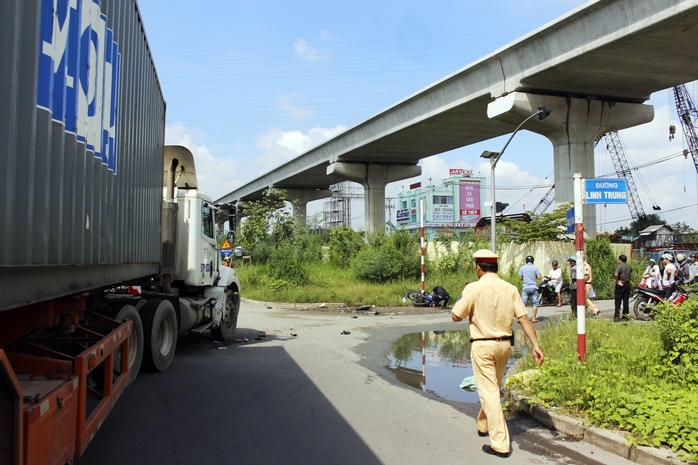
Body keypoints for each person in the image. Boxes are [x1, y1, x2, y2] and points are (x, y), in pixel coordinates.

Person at [451, 249, 544, 459]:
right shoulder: (510, 288)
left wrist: (464, 296)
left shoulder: (473, 288)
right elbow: (524, 318)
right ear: (495, 266)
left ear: (478, 268)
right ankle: (483, 424)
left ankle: (500, 444)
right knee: (493, 387)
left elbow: (456, 315)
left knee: (489, 392)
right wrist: (536, 345)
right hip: (504, 346)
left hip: (483, 346)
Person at [518, 255, 542, 322]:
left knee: (523, 304)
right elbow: (539, 277)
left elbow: (520, 278)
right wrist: (535, 277)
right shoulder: (536, 268)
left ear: (526, 261)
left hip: (525, 287)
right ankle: (534, 318)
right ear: (532, 261)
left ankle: (522, 319)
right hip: (534, 287)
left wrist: (525, 278)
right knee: (535, 303)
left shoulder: (522, 268)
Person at [613, 255, 632, 321]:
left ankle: (616, 317)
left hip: (620, 284)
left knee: (618, 301)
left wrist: (617, 280)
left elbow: (616, 274)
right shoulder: (629, 267)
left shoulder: (619, 266)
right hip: (627, 284)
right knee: (626, 301)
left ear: (620, 260)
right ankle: (626, 316)